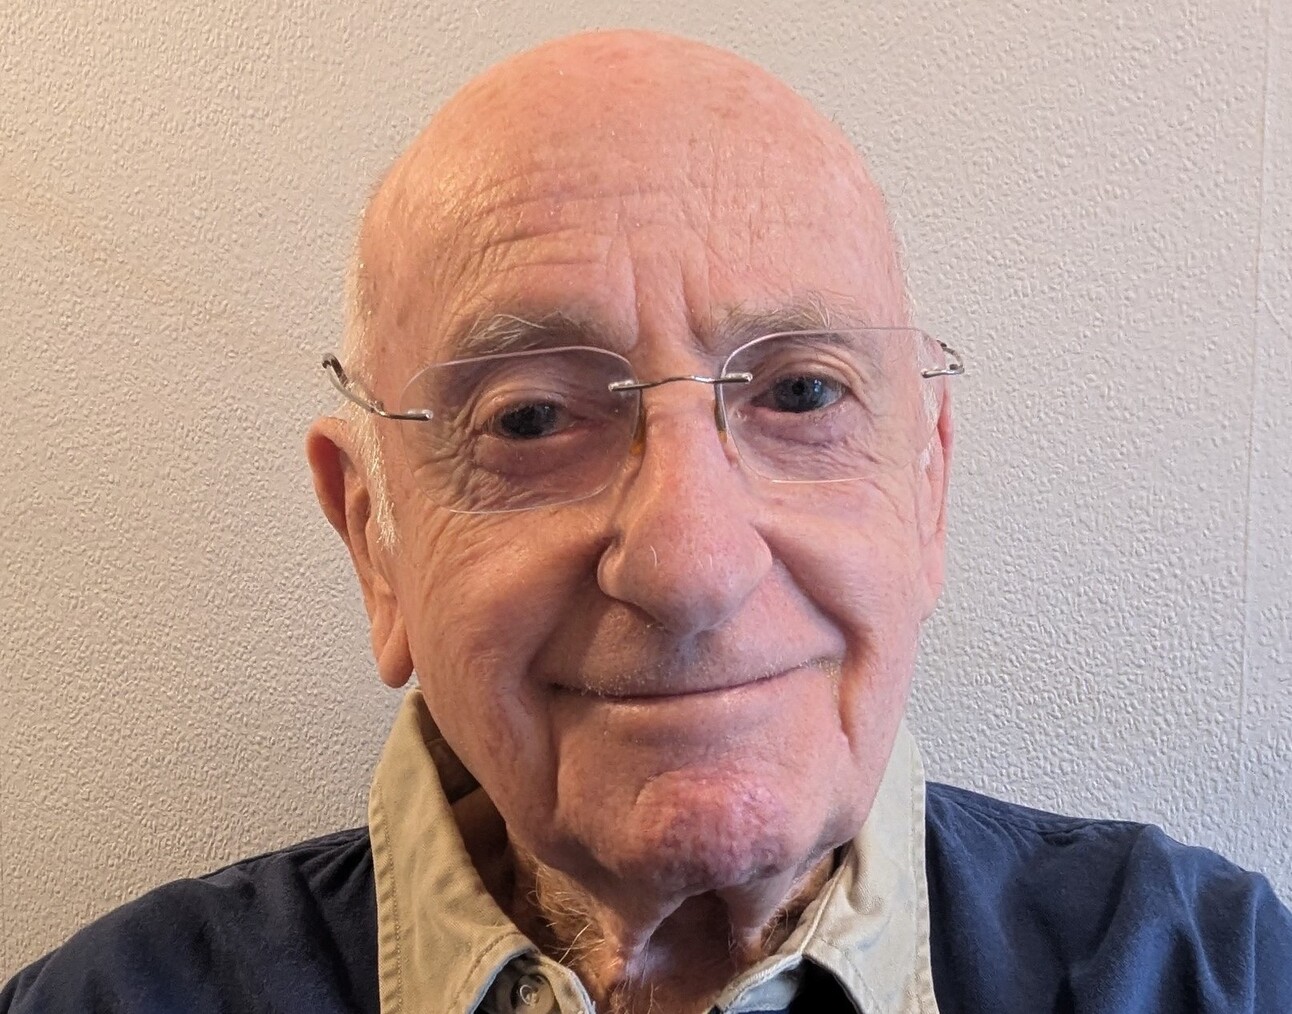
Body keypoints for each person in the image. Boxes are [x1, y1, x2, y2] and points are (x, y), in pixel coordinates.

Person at [4, 29, 1290, 1014]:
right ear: (373, 540)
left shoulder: (1214, 974)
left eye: (799, 394)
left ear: (926, 488)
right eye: (527, 420)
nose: (689, 564)